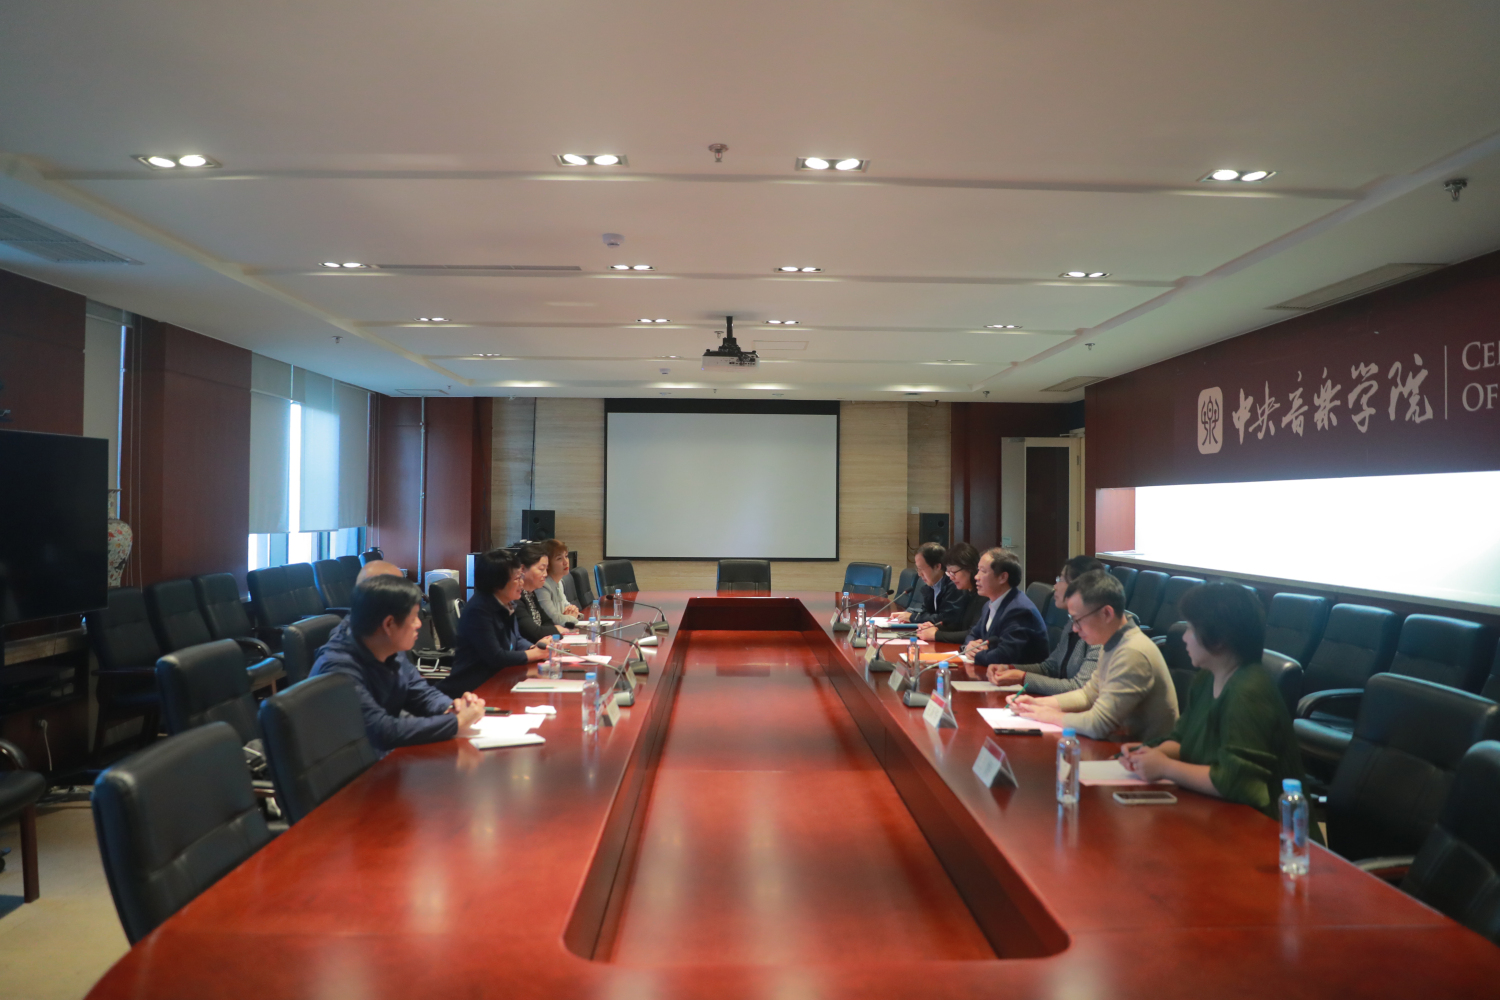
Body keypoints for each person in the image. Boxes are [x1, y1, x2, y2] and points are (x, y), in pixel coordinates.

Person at [1120, 582, 1310, 821]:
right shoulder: (1206, 678)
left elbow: (1238, 782)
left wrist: (1165, 767)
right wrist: (1150, 755)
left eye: (1191, 629)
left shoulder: (1249, 691)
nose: (1184, 638)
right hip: (1216, 811)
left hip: (1271, 828)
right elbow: (1182, 739)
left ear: (1218, 639)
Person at [309, 575, 485, 753]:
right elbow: (381, 730)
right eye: (414, 617)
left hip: (381, 755)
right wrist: (456, 722)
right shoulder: (339, 669)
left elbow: (420, 693)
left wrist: (452, 708)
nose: (419, 624)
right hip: (352, 762)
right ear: (389, 624)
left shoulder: (388, 646)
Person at [1011, 570, 1178, 742]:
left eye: (1077, 620)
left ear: (1107, 613)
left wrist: (1048, 715)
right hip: (1123, 746)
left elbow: (1099, 725)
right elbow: (1087, 695)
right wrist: (1038, 704)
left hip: (1146, 752)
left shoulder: (1132, 652)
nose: (1074, 628)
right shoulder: (1112, 642)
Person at [987, 555, 1107, 695]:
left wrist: (1023, 678)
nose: (1055, 586)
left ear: (1080, 586)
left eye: (1060, 580)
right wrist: (1009, 668)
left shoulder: (1101, 629)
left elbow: (1080, 688)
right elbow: (1050, 667)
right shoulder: (1073, 621)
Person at [439, 548, 549, 697]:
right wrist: (535, 654)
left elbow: (516, 639)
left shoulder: (507, 603)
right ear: (498, 582)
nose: (522, 583)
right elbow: (496, 657)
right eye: (517, 578)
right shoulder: (479, 611)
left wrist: (533, 647)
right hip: (473, 689)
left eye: (521, 577)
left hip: (500, 680)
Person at [959, 548, 1049, 668]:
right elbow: (973, 634)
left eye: (983, 571)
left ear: (1002, 577)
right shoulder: (989, 604)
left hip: (1017, 677)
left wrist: (976, 654)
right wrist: (969, 647)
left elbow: (1005, 656)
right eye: (978, 570)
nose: (976, 577)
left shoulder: (1019, 610)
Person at [915, 543, 982, 645]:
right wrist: (935, 627)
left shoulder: (983, 596)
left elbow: (974, 634)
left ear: (970, 569)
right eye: (948, 573)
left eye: (953, 572)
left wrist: (936, 634)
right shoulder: (968, 592)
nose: (951, 577)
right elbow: (956, 625)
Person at [892, 542, 969, 630]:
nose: (919, 574)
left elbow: (946, 619)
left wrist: (913, 617)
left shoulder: (954, 586)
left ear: (937, 566)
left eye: (921, 569)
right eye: (917, 569)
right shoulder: (931, 586)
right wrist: (909, 614)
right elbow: (927, 613)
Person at [514, 542, 569, 644]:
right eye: (541, 569)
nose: (545, 574)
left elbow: (547, 622)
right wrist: (555, 630)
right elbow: (533, 632)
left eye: (546, 569)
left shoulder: (531, 594)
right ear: (522, 569)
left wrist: (549, 630)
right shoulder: (516, 597)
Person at [536, 539, 579, 627]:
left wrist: (574, 611)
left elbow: (567, 606)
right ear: (547, 564)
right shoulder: (542, 586)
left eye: (566, 556)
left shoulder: (559, 582)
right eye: (559, 558)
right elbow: (555, 620)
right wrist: (572, 617)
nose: (566, 562)